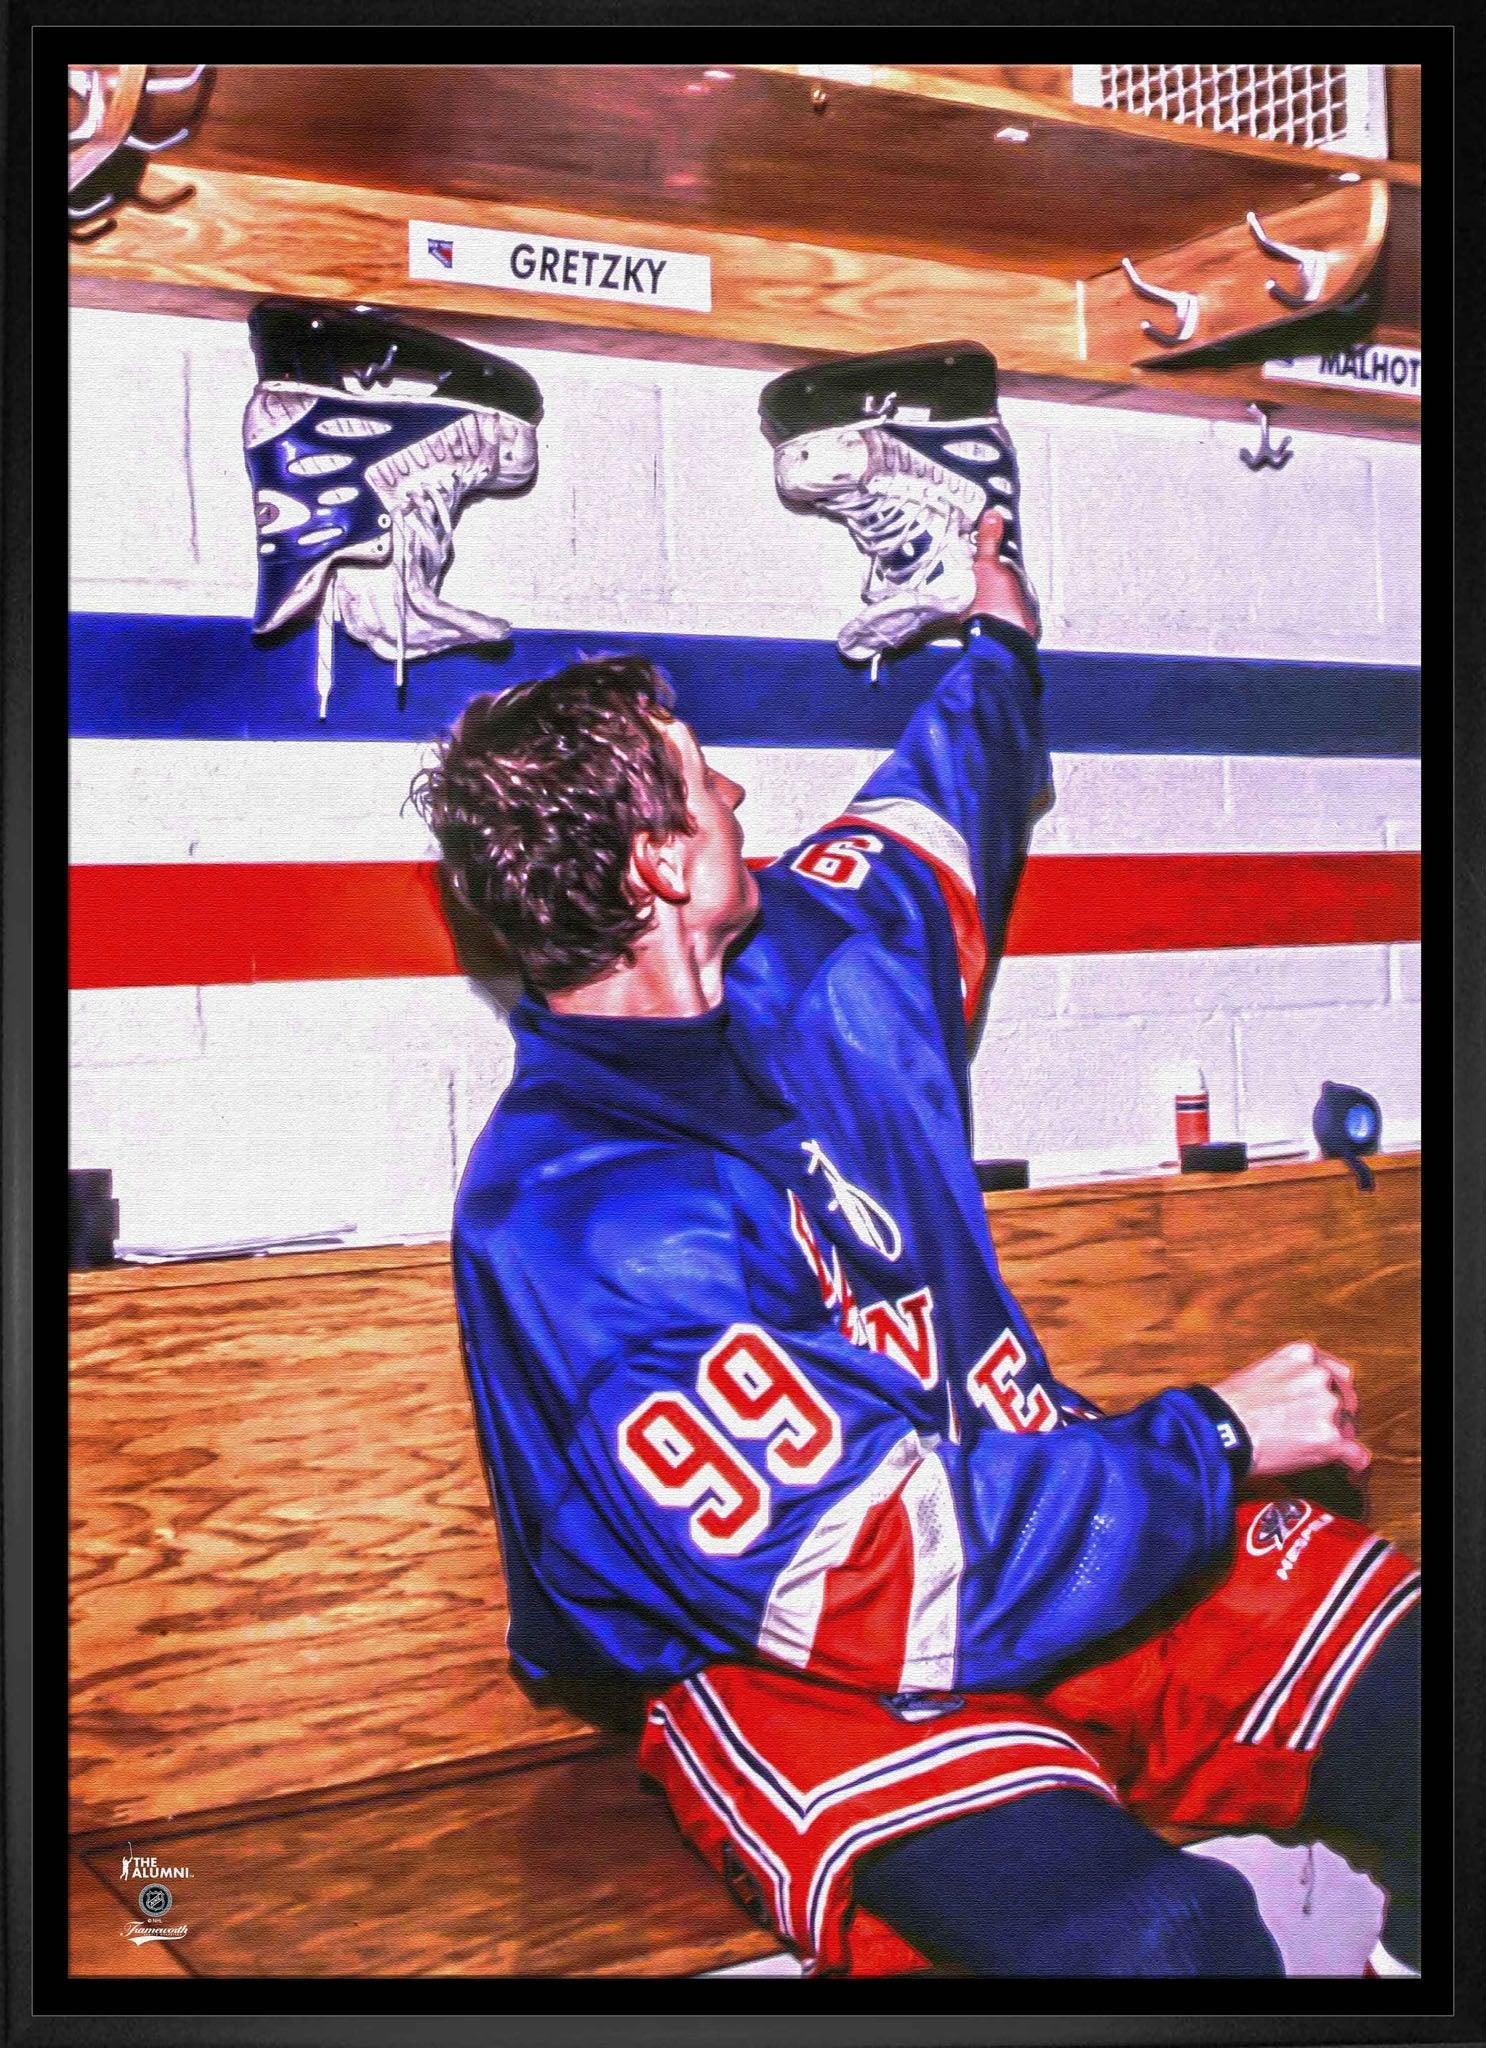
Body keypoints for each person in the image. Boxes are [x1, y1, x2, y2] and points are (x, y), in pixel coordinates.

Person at [410, 344, 1421, 1978]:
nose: (740, 784)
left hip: (1046, 1523)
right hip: (790, 1660)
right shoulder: (577, 1220)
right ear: (665, 863)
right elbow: (879, 1577)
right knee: (1156, 1940)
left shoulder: (821, 944)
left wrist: (995, 620)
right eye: (701, 775)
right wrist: (1214, 1435)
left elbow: (946, 796)